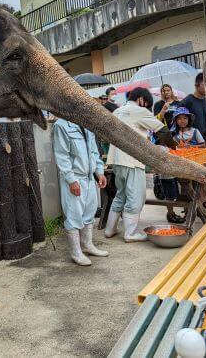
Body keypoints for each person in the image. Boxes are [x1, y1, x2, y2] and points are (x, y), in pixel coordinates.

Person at [105, 87, 165, 242]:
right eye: (146, 104)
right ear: (141, 99)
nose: (146, 107)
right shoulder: (139, 110)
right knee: (136, 196)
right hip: (132, 160)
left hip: (117, 160)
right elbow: (161, 130)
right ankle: (130, 234)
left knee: (121, 194)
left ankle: (110, 229)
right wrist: (175, 145)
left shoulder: (118, 111)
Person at [53, 118, 109, 265]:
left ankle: (88, 245)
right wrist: (71, 180)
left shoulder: (85, 123)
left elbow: (94, 151)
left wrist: (99, 172)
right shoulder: (61, 125)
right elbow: (61, 156)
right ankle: (76, 253)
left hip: (89, 177)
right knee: (74, 215)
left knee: (89, 211)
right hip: (75, 178)